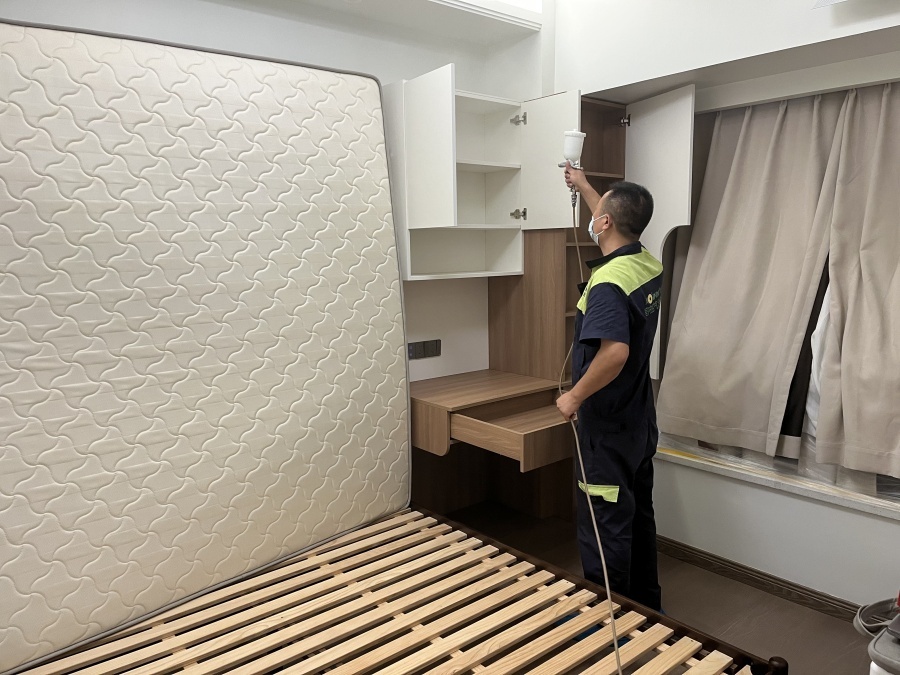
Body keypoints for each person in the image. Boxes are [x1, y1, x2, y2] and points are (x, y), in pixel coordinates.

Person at [556, 162, 663, 611]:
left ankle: (609, 620)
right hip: (638, 420)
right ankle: (647, 610)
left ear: (604, 223)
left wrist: (573, 396)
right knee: (637, 518)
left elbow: (614, 353)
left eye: (598, 214)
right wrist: (583, 184)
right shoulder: (644, 263)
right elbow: (613, 217)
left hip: (608, 427)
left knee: (605, 526)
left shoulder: (608, 284)